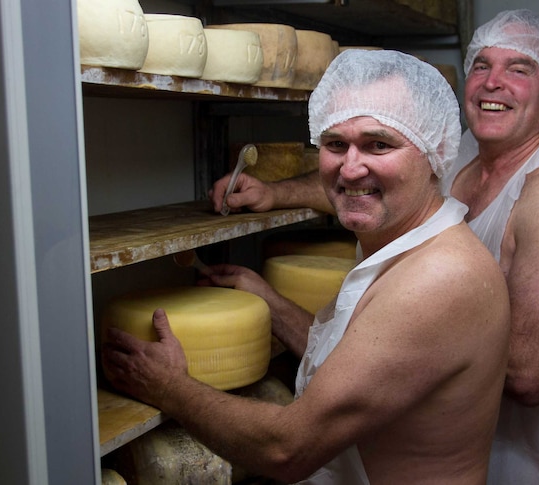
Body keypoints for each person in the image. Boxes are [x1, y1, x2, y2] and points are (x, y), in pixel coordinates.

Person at [209, 9, 539, 485]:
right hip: (460, 436)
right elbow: (375, 178)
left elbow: (528, 376)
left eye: (519, 69)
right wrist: (276, 193)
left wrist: (399, 324)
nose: (493, 82)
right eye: (482, 65)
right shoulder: (466, 158)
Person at [102, 49, 511, 485]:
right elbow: (355, 362)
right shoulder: (403, 244)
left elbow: (287, 448)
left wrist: (170, 388)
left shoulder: (438, 278)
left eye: (379, 144)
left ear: (437, 150)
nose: (351, 168)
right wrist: (270, 303)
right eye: (335, 144)